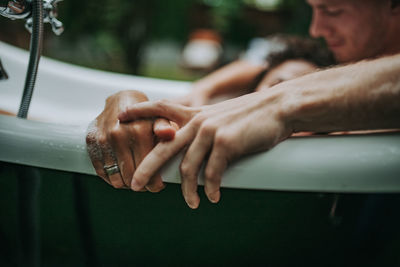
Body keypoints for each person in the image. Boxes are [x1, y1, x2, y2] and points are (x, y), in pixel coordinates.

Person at [86, 0, 400, 209]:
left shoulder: (325, 94)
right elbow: (254, 78)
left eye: (332, 9)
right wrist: (127, 104)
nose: (316, 29)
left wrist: (280, 104)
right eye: (314, 9)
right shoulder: (319, 63)